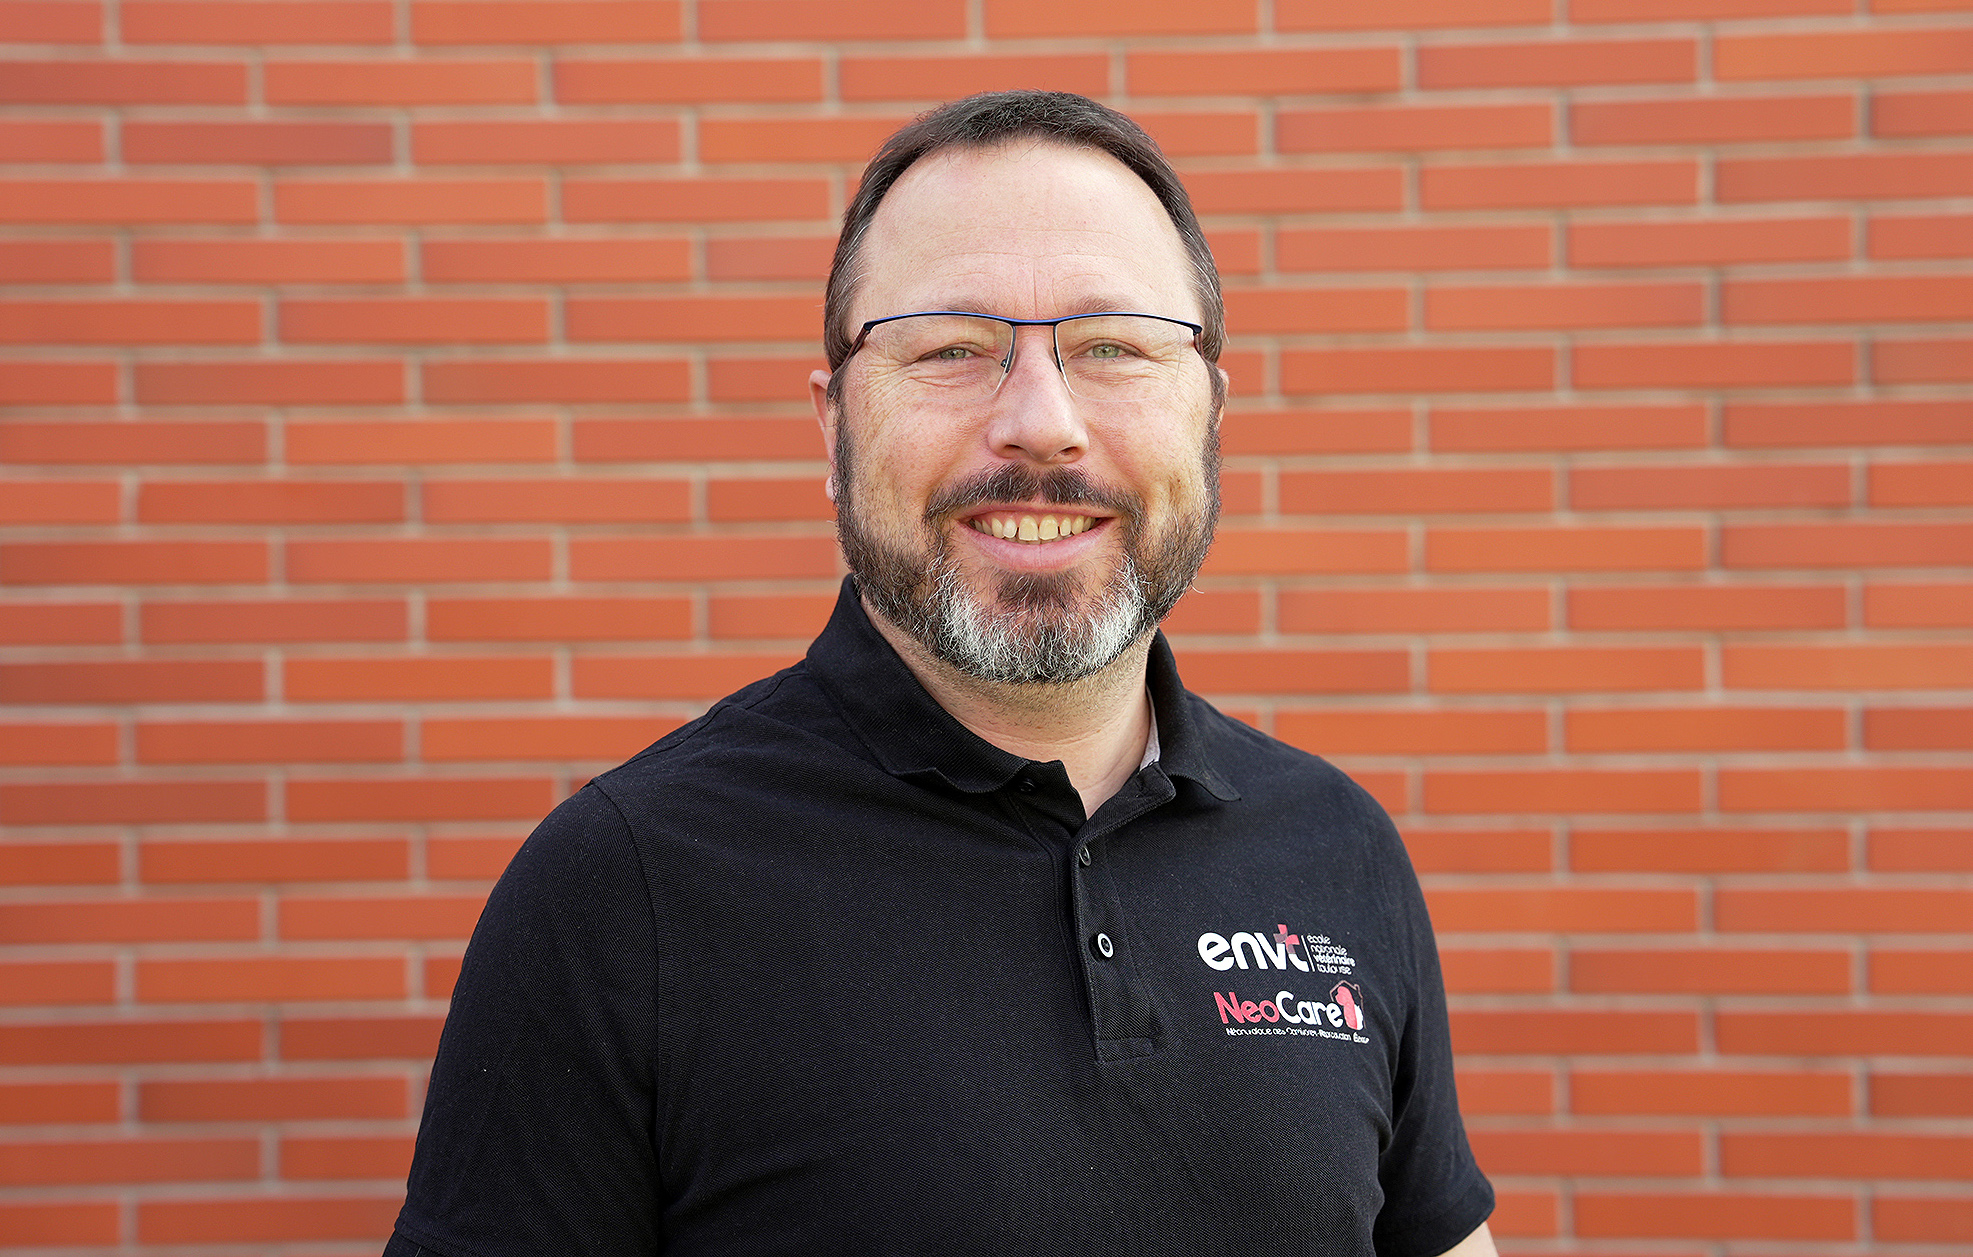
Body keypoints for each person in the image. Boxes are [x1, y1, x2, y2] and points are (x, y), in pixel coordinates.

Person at [383, 91, 1496, 1257]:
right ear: (832, 428)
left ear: (1210, 414)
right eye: (951, 349)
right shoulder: (624, 887)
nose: (1040, 423)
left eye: (1112, 347)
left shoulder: (1334, 846)